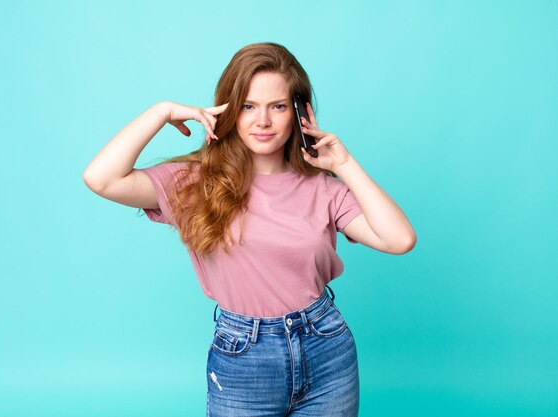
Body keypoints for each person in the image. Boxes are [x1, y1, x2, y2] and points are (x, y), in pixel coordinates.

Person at [83, 42, 416, 417]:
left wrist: (344, 164)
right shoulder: (196, 183)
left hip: (326, 348)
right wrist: (162, 112)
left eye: (276, 107)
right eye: (248, 106)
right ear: (229, 110)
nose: (263, 121)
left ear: (299, 114)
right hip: (244, 358)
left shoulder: (323, 189)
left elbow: (399, 239)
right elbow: (101, 178)